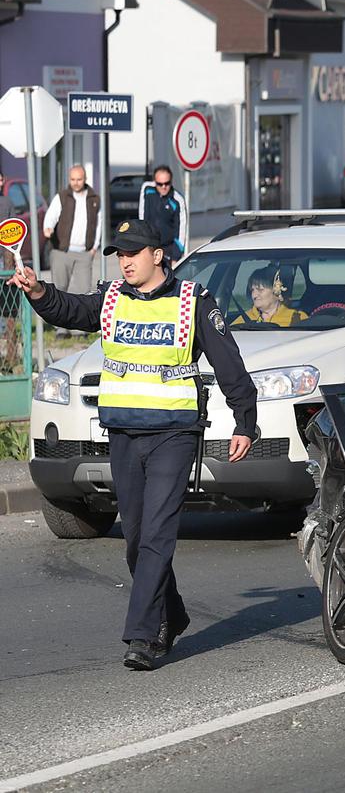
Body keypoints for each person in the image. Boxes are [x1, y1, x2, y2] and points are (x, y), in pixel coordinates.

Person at [7, 218, 257, 671]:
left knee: (157, 535)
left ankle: (142, 635)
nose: (125, 262)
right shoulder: (112, 298)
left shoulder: (192, 301)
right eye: (120, 254)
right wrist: (38, 291)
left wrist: (245, 421)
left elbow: (229, 363)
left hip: (174, 434)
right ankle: (172, 614)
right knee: (137, 538)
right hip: (123, 432)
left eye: (133, 253)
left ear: (157, 255)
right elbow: (70, 310)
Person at [42, 166, 102, 314]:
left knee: (84, 292)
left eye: (79, 179)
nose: (76, 183)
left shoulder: (94, 199)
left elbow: (99, 224)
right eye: (73, 179)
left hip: (84, 253)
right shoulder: (62, 197)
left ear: (85, 179)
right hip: (62, 251)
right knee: (60, 290)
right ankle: (59, 324)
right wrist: (48, 228)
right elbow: (51, 216)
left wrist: (94, 247)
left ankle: (81, 325)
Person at [138, 165, 188, 263]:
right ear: (154, 182)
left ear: (171, 181)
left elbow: (181, 231)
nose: (163, 187)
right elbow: (142, 216)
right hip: (148, 246)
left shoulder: (178, 200)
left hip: (167, 250)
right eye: (160, 184)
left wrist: (175, 257)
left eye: (167, 183)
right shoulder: (147, 189)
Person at [232, 266, 308, 327]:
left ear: (277, 292)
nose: (254, 295)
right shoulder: (242, 320)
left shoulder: (298, 318)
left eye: (260, 290)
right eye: (252, 290)